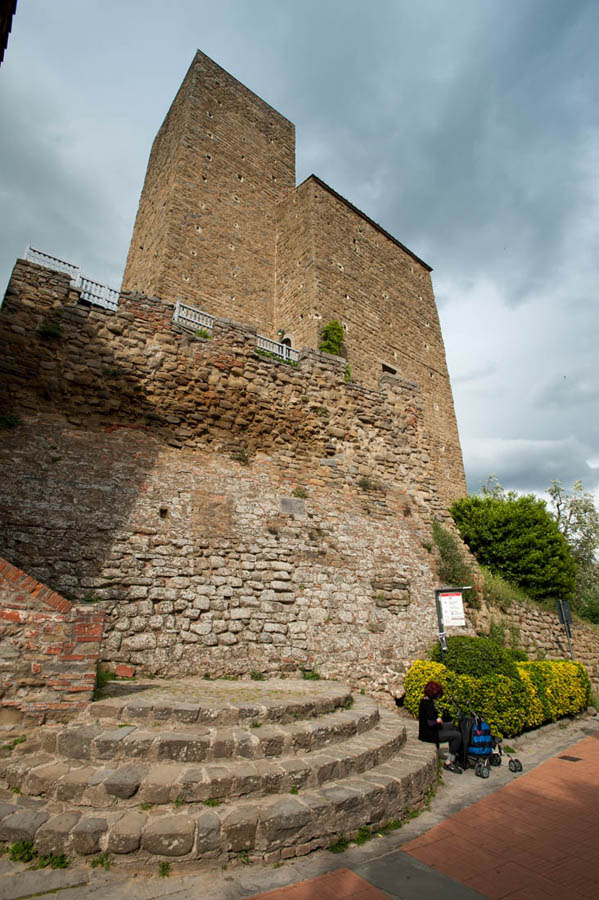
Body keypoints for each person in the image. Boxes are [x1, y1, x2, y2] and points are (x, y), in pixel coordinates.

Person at [418, 680, 463, 774]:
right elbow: (431, 723)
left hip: (426, 731)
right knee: (457, 735)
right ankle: (449, 762)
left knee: (452, 726)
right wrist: (438, 721)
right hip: (430, 734)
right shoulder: (429, 704)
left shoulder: (424, 701)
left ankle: (454, 754)